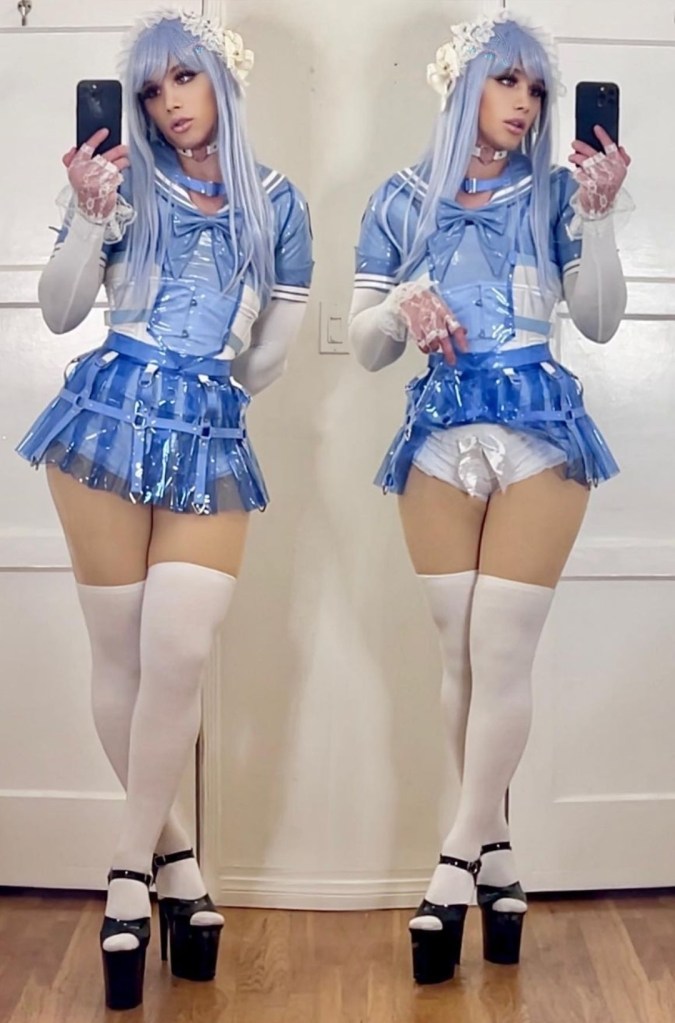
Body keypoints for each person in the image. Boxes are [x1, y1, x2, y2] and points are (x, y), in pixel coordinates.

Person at [17, 7, 312, 1011]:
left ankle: (128, 871)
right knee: (122, 659)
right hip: (103, 422)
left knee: (178, 652)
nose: (168, 103)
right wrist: (88, 216)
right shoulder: (120, 185)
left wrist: (204, 391)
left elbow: (269, 355)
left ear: (222, 80)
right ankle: (175, 864)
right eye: (151, 89)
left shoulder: (280, 205)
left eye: (183, 78)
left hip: (209, 434)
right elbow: (62, 310)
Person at [349, 12, 630, 985]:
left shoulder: (555, 194)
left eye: (536, 88)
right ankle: (501, 864)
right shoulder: (399, 200)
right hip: (436, 440)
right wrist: (399, 305)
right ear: (462, 82)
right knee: (461, 659)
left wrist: (597, 216)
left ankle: (453, 863)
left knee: (502, 652)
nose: (524, 103)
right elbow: (364, 342)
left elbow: (599, 320)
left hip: (539, 431)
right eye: (508, 81)